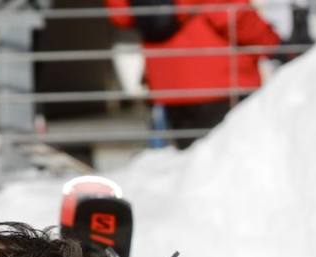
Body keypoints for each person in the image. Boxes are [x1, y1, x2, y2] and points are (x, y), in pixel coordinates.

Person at [104, 0, 282, 149]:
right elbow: (233, 15)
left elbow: (121, 14)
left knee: (190, 169)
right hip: (221, 85)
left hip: (168, 88)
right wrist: (276, 45)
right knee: (231, 165)